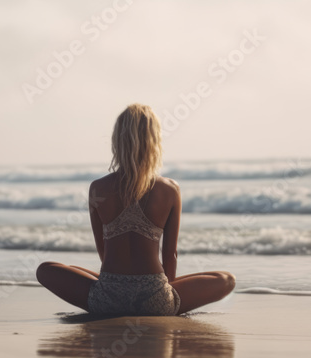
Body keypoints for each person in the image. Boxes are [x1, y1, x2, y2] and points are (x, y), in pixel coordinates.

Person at [36, 104, 236, 316]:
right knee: (226, 280)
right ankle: (157, 300)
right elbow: (170, 255)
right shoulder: (169, 189)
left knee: (46, 269)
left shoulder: (98, 188)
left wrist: (118, 284)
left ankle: (120, 293)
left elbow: (103, 252)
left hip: (106, 299)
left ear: (117, 141)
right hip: (156, 301)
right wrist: (163, 291)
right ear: (154, 141)